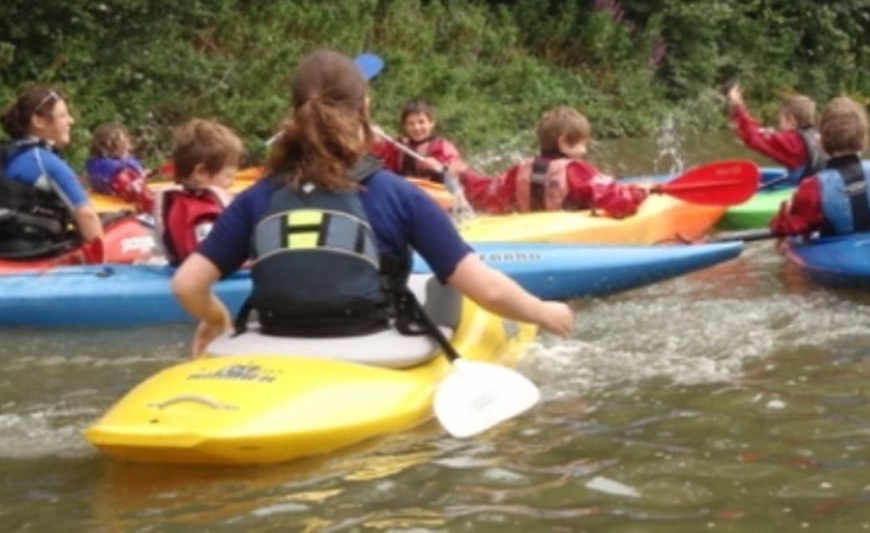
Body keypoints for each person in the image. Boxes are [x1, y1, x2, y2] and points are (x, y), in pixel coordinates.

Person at [171, 48, 573, 357]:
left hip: (277, 341)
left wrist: (216, 318)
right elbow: (487, 290)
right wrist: (544, 312)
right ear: (365, 109)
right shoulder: (398, 193)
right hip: (370, 346)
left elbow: (187, 284)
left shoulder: (258, 194)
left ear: (294, 113)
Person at [455, 106, 650, 218]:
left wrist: (463, 175)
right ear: (564, 142)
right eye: (582, 144)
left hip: (529, 232)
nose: (585, 151)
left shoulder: (521, 168)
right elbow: (617, 200)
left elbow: (487, 195)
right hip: (568, 236)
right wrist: (641, 192)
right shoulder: (576, 170)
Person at [770, 97, 870, 238]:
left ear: (821, 143)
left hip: (834, 254)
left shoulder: (813, 186)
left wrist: (784, 214)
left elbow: (785, 229)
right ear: (864, 141)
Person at [0, 85, 103, 255]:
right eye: (63, 115)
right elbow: (86, 215)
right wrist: (106, 264)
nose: (71, 121)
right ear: (39, 121)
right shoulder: (43, 160)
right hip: (34, 254)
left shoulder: (9, 154)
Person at [154, 118, 244, 266]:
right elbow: (212, 260)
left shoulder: (178, 202)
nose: (232, 183)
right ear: (201, 172)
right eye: (228, 176)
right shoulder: (204, 213)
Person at [726, 82, 826, 184]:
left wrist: (738, 106)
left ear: (791, 121)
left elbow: (754, 138)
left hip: (798, 190)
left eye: (781, 118)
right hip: (812, 183)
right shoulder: (815, 136)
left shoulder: (792, 142)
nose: (778, 123)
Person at [372, 98, 464, 183]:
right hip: (403, 192)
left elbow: (457, 175)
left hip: (432, 195)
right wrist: (376, 140)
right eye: (411, 123)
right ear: (405, 126)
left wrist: (440, 167)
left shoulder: (443, 147)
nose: (416, 127)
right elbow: (379, 159)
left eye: (421, 122)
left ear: (432, 123)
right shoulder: (397, 146)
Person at [85, 123, 155, 213]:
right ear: (108, 146)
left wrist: (139, 176)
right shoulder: (120, 173)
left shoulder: (100, 165)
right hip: (123, 213)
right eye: (123, 141)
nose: (128, 142)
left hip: (106, 206)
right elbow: (135, 193)